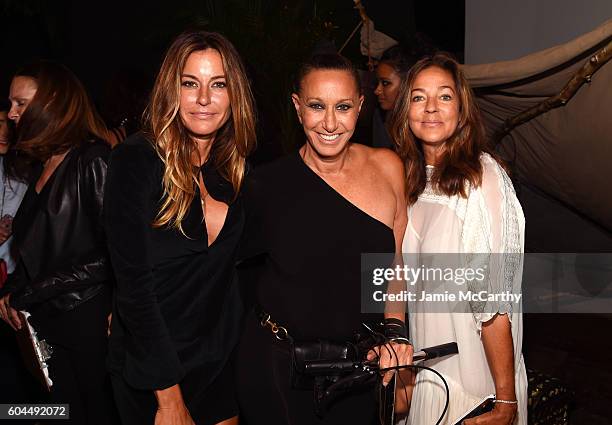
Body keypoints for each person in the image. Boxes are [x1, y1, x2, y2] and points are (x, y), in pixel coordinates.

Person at [235, 53, 410, 424]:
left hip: (361, 367)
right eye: (317, 106)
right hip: (279, 368)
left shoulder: (388, 168)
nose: (330, 123)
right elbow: (228, 272)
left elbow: (393, 265)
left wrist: (395, 333)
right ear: (298, 108)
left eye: (343, 107)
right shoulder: (265, 185)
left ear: (360, 106)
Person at [104, 30, 256, 425]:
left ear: (233, 93)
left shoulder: (233, 171)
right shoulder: (134, 161)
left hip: (217, 363)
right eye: (190, 83)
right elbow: (134, 290)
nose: (204, 98)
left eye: (217, 84)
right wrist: (169, 398)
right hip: (153, 372)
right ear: (171, 90)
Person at [388, 52, 527, 424]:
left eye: (445, 96)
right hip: (429, 375)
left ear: (462, 108)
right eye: (419, 96)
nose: (431, 107)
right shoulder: (410, 181)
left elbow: (495, 300)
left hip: (475, 383)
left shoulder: (483, 177)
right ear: (405, 109)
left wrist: (505, 402)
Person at [0, 60, 115, 424]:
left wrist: (30, 290)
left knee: (95, 413)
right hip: (48, 321)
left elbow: (109, 256)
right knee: (56, 414)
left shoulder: (93, 159)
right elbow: (38, 247)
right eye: (11, 104)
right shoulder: (40, 163)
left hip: (87, 322)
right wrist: (13, 290)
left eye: (20, 104)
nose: (12, 114)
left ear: (51, 103)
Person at [371, 45, 418, 149]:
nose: (377, 90)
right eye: (377, 83)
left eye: (385, 83)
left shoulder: (424, 121)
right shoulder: (380, 115)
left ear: (407, 84)